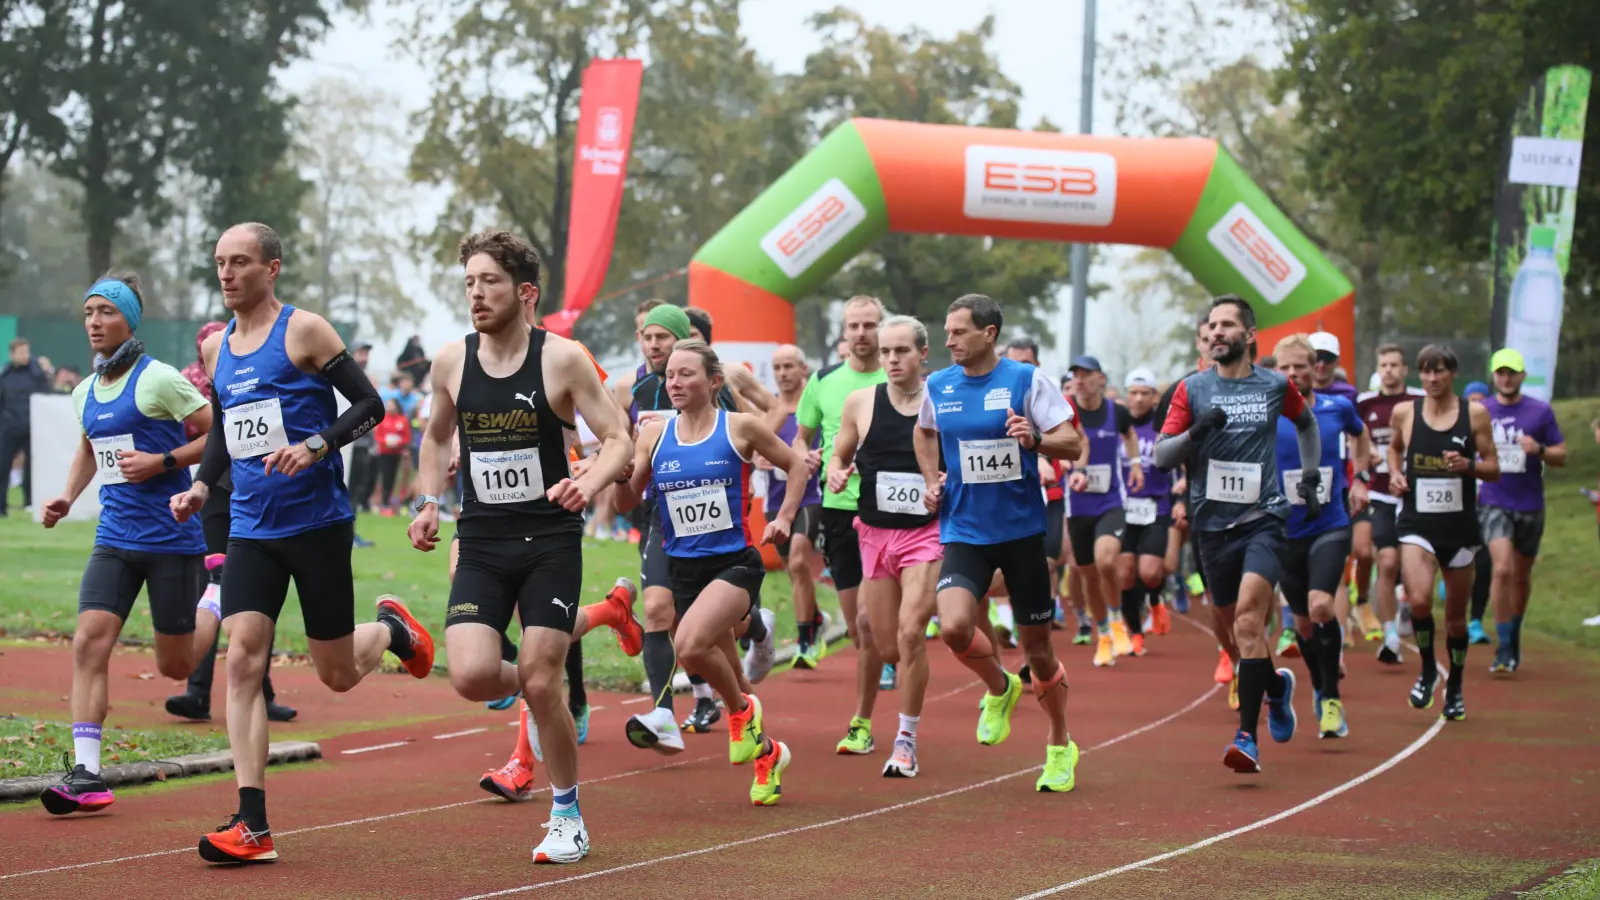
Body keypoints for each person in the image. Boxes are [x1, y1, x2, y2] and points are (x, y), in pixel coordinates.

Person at [170, 222, 433, 864]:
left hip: (317, 524)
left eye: (239, 262)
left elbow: (369, 405)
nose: (227, 273)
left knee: (336, 673)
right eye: (219, 262)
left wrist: (317, 445)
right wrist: (202, 486)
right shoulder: (216, 349)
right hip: (251, 528)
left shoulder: (306, 331)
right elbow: (228, 426)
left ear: (272, 268)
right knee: (243, 658)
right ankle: (252, 824)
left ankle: (391, 631)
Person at [404, 230, 637, 862]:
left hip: (548, 540)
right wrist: (428, 502)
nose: (476, 294)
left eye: (490, 282)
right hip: (481, 538)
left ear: (525, 292)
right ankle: (543, 692)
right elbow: (435, 438)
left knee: (538, 674)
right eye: (469, 283)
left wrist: (588, 481)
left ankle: (567, 814)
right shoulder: (452, 362)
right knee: (473, 676)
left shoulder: (561, 359)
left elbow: (618, 437)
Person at [36, 273, 223, 815]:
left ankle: (217, 595)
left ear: (129, 320)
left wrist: (163, 462)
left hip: (170, 539)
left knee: (175, 666)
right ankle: (86, 773)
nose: (94, 322)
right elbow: (89, 449)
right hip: (114, 538)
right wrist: (68, 496)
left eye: (106, 312)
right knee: (88, 643)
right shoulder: (83, 391)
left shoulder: (159, 379)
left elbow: (219, 433)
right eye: (88, 312)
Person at [614, 340, 804, 805]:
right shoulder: (654, 435)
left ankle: (740, 713)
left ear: (714, 381)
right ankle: (768, 754)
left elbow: (796, 465)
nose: (675, 383)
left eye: (686, 374)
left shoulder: (740, 427)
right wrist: (621, 475)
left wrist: (784, 518)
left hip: (734, 563)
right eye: (670, 376)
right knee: (729, 673)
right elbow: (625, 503)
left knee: (690, 645)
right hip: (683, 569)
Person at [915, 293, 1085, 792]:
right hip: (965, 528)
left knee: (1039, 653)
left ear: (989, 334)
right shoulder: (939, 385)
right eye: (947, 331)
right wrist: (931, 479)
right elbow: (924, 433)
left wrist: (1035, 440)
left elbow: (1072, 443)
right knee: (953, 626)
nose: (949, 341)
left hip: (1021, 532)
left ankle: (1060, 745)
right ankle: (999, 687)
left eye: (959, 332)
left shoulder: (1026, 380)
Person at [1156, 295, 1322, 774]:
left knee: (1251, 622)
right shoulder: (1191, 389)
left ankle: (1247, 737)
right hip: (1211, 526)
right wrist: (1196, 432)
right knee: (1231, 632)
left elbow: (1306, 423)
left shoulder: (1274, 385)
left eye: (1227, 325)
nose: (1216, 332)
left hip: (1264, 518)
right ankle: (1276, 686)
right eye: (1212, 325)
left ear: (1249, 336)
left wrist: (1310, 475)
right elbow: (1162, 456)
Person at [830, 316, 946, 777]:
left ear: (922, 353)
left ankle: (905, 741)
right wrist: (837, 471)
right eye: (886, 352)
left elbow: (960, 457)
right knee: (885, 645)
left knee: (911, 633)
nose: (892, 359)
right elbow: (840, 453)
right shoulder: (861, 402)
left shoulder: (942, 401)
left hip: (926, 532)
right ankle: (866, 722)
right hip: (875, 534)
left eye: (902, 351)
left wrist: (944, 482)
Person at [167, 321, 295, 724]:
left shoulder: (265, 369)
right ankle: (198, 691)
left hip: (261, 490)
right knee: (217, 584)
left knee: (254, 589)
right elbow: (201, 431)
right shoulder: (190, 380)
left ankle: (258, 690)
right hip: (219, 492)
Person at [796, 296, 890, 755]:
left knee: (872, 623)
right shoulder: (824, 381)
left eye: (869, 325)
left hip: (892, 513)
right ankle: (884, 655)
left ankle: (863, 721)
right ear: (844, 330)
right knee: (857, 628)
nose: (861, 333)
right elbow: (802, 438)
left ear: (881, 328)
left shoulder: (898, 376)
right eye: (853, 325)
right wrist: (809, 458)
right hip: (839, 509)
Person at [1385, 344, 1499, 722]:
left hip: (1459, 528)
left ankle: (1456, 687)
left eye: (1439, 371)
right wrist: (1396, 474)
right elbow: (1394, 450)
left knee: (1455, 621)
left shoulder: (1474, 414)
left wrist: (1468, 465)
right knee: (1419, 600)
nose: (1431, 379)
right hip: (1417, 524)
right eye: (1425, 371)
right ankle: (1428, 671)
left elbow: (1494, 467)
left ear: (1453, 374)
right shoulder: (1406, 412)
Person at [1273, 335, 1370, 739]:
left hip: (1329, 524)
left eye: (1300, 366)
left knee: (1321, 606)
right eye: (1285, 368)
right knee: (1303, 625)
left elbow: (1361, 435)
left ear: (1315, 368)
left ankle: (1331, 699)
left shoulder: (1337, 408)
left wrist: (1361, 477)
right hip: (1283, 531)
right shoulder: (1266, 414)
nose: (1293, 373)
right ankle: (1319, 685)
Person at [1156, 312, 1239, 698]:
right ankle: (1231, 653)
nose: (1214, 343)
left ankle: (1251, 656)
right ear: (1199, 345)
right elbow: (1165, 451)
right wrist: (1180, 493)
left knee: (1255, 593)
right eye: (1207, 338)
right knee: (1219, 595)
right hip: (1205, 502)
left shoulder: (1257, 386)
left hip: (1256, 504)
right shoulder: (1183, 390)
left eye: (1221, 335)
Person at [1477, 349, 1565, 673]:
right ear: (1493, 376)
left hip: (1529, 503)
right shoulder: (1481, 411)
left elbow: (1561, 454)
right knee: (1502, 569)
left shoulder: (1540, 411)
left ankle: (1513, 632)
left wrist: (1539, 449)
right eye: (1500, 372)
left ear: (1522, 375)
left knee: (1521, 575)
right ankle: (1503, 645)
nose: (1506, 378)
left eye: (1511, 372)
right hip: (1493, 499)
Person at [1066, 355, 1143, 665]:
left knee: (1107, 560)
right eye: (1076, 375)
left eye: (1086, 374)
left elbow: (1130, 435)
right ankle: (1103, 634)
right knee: (1088, 576)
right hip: (1078, 505)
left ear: (1101, 379)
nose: (1080, 380)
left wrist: (1135, 464)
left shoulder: (1117, 412)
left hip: (1111, 500)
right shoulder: (1064, 411)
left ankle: (1116, 619)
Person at [1355, 344, 1427, 664]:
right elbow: (1353, 437)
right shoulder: (1365, 403)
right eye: (1383, 365)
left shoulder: (1419, 400)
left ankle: (1407, 603)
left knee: (1415, 566)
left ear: (1405, 369)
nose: (1389, 370)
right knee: (1385, 561)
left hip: (1414, 494)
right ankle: (1391, 636)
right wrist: (1365, 455)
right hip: (1380, 494)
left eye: (1394, 365)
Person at [759, 344, 827, 667]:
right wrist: (757, 458)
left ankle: (805, 644)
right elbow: (750, 448)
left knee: (800, 561)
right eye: (777, 367)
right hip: (776, 501)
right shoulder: (768, 411)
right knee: (792, 570)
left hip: (811, 498)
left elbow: (835, 441)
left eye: (789, 366)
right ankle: (816, 618)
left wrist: (821, 456)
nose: (783, 373)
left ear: (803, 370)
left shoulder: (815, 407)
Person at [1118, 368, 1174, 652]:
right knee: (1126, 573)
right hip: (1123, 507)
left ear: (1154, 397)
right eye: (1133, 393)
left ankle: (1154, 599)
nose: (1138, 399)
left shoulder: (1164, 426)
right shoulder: (1118, 424)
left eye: (1144, 393)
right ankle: (1135, 632)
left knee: (1150, 572)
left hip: (1156, 505)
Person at [0, 336, 51, 515]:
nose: (25, 356)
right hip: (9, 427)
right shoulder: (5, 375)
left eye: (27, 352)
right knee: (3, 466)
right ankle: (1, 506)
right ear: (12, 354)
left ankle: (30, 502)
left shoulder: (37, 374)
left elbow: (46, 396)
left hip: (32, 427)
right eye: (21, 352)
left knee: (32, 468)